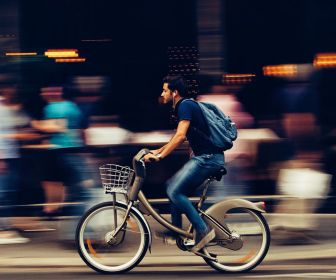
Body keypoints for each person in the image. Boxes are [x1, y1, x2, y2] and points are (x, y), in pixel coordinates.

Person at [144, 76, 225, 252]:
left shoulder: (185, 105)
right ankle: (176, 231)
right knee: (172, 186)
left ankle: (203, 230)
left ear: (175, 92)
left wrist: (160, 157)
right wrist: (157, 151)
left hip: (208, 158)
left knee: (174, 190)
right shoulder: (184, 106)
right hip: (206, 157)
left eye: (165, 90)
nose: (162, 93)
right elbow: (178, 138)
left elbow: (180, 136)